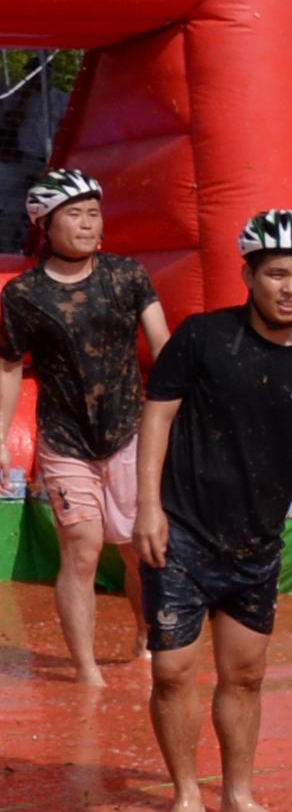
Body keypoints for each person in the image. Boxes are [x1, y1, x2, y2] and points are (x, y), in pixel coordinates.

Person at [133, 209, 292, 812]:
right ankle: (187, 795)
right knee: (171, 672)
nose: (291, 288)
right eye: (277, 274)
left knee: (245, 676)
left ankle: (237, 794)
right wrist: (147, 507)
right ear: (248, 275)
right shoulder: (203, 338)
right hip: (182, 530)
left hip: (255, 544)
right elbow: (157, 417)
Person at [0, 169, 171, 686]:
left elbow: (164, 347)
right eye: (74, 214)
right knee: (82, 547)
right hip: (65, 439)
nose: (88, 223)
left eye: (94, 212)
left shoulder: (127, 275)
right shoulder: (24, 294)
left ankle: (147, 633)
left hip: (128, 433)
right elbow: (8, 367)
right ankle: (88, 670)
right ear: (44, 224)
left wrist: (184, 412)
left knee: (140, 548)